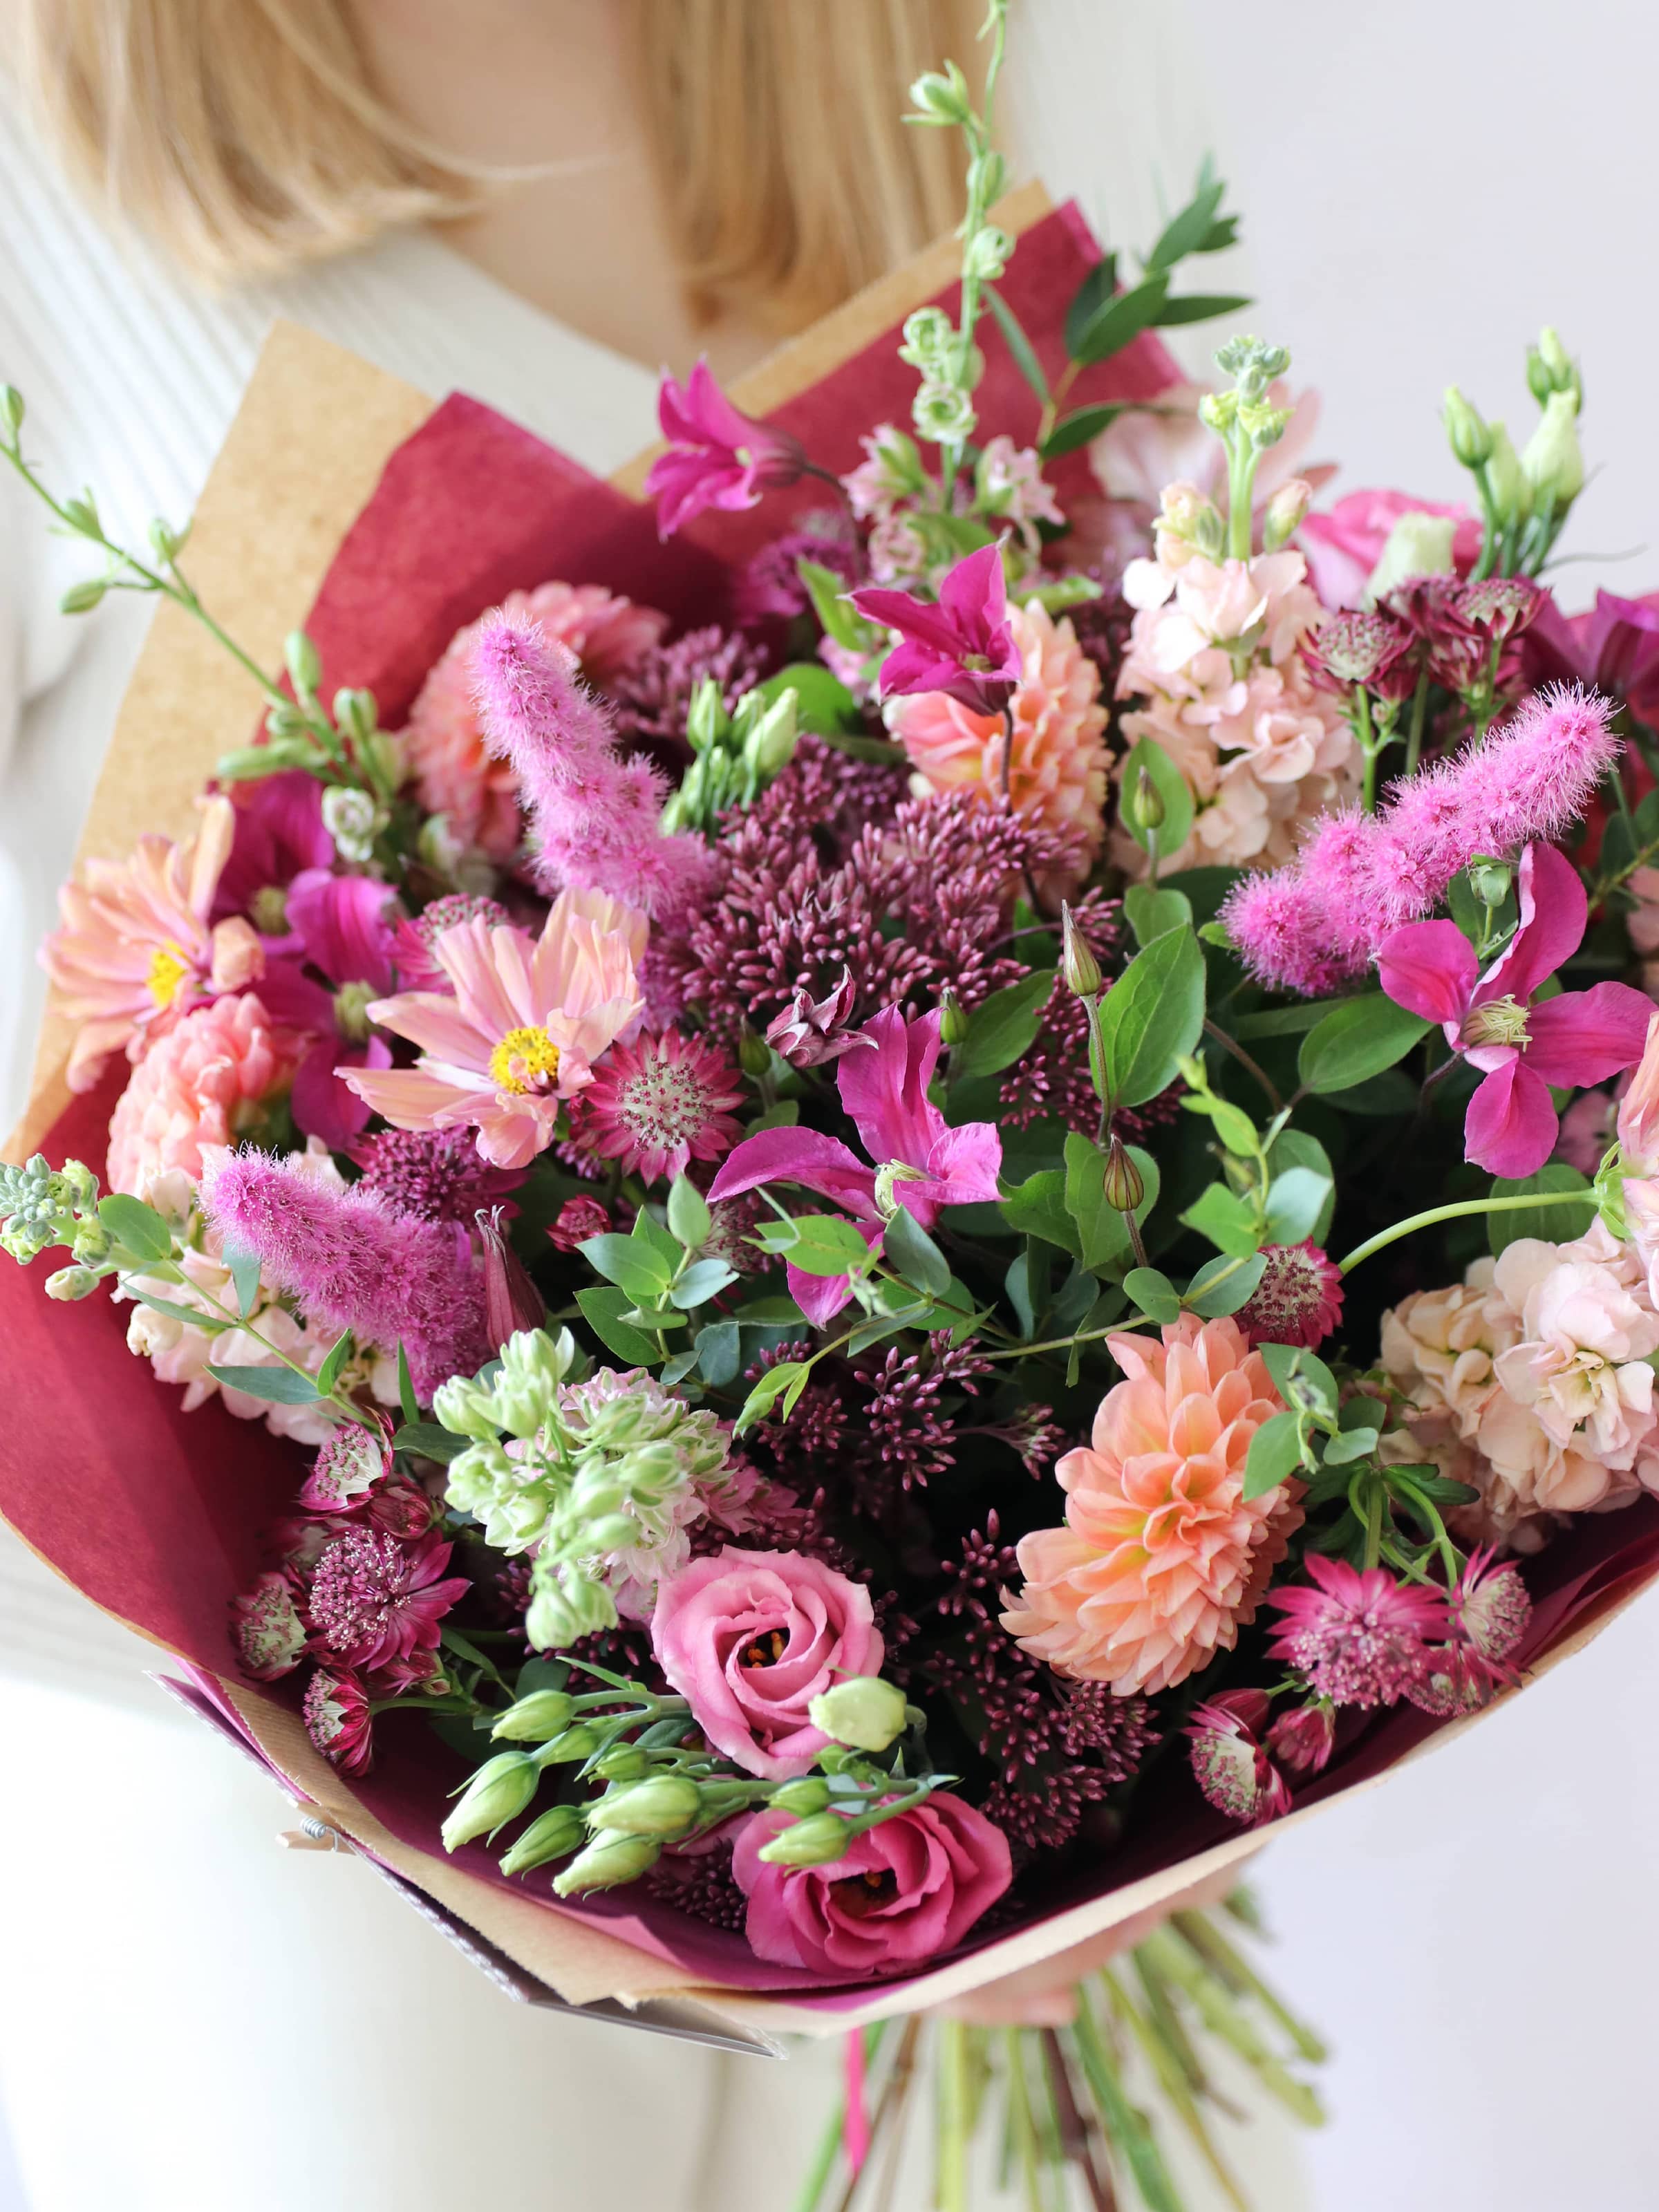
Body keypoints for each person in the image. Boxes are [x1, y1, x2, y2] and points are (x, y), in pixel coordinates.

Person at [0, 7, 1288, 2209]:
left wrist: (1131, 1706)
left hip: (1035, 1840)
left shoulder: (992, 46)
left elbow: (1216, 773)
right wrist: (539, 1763)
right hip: (333, 1912)